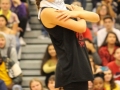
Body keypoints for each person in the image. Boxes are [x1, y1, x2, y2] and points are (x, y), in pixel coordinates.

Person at [36, 0, 99, 90]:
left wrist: (77, 13)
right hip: (71, 66)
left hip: (79, 62)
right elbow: (81, 28)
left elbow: (96, 17)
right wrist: (79, 14)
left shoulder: (61, 6)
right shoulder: (47, 11)